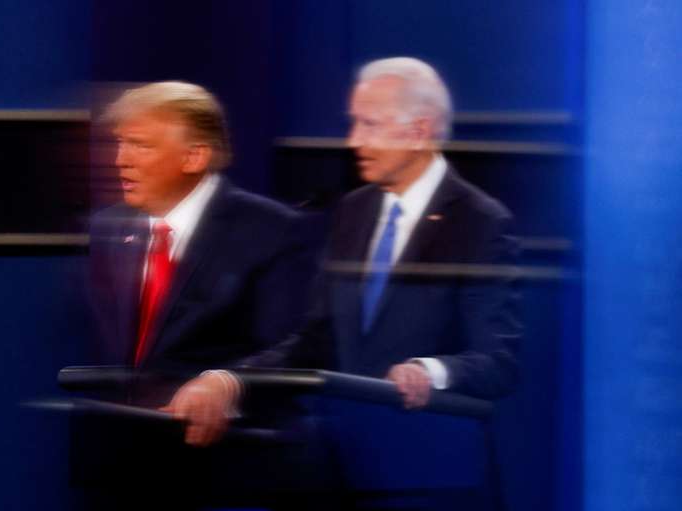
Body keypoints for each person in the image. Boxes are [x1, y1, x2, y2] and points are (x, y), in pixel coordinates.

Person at [166, 57, 522, 447]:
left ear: (419, 130)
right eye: (354, 122)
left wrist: (429, 371)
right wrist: (229, 380)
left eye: (369, 124)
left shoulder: (479, 222)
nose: (354, 140)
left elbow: (497, 362)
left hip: (426, 454)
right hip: (342, 451)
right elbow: (315, 341)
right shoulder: (353, 211)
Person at [88, 81, 315, 391]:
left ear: (194, 157)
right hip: (117, 429)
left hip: (228, 433)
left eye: (141, 145)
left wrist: (230, 383)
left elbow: (297, 345)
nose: (121, 160)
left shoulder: (273, 230)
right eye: (120, 143)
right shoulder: (108, 228)